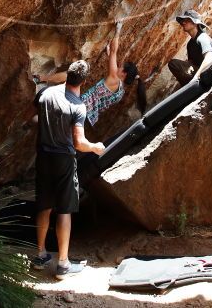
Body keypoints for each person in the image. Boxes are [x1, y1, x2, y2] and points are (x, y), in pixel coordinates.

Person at [32, 60, 106, 279]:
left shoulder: (45, 94)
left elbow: (35, 117)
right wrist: (95, 148)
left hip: (43, 157)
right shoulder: (78, 106)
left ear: (67, 75)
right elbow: (78, 143)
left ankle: (40, 254)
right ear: (84, 81)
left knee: (44, 205)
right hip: (63, 160)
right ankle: (63, 264)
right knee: (64, 209)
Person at [34, 25, 147, 126]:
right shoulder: (120, 92)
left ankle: (41, 79)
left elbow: (114, 51)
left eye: (121, 67)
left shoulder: (114, 79)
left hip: (79, 106)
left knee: (72, 75)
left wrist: (118, 28)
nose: (118, 66)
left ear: (124, 73)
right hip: (86, 115)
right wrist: (109, 57)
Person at [168, 9, 212, 86]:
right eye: (182, 21)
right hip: (200, 73)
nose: (183, 22)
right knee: (174, 65)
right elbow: (192, 63)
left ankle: (192, 87)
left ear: (195, 23)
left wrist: (195, 78)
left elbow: (209, 59)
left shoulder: (202, 37)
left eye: (187, 20)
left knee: (173, 64)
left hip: (210, 73)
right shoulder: (190, 44)